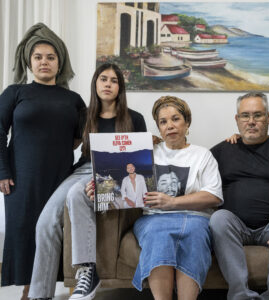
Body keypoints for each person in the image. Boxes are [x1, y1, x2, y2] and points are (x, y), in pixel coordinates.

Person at [28, 63, 146, 300]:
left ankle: (88, 271)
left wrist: (106, 185)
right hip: (83, 170)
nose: (108, 84)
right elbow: (64, 145)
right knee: (44, 223)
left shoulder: (135, 118)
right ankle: (40, 294)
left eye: (114, 81)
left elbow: (139, 164)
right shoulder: (83, 116)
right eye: (103, 79)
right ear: (96, 83)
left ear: (120, 88)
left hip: (115, 173)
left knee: (76, 194)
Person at [0, 23, 85, 300]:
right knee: (24, 230)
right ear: (29, 61)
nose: (44, 62)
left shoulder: (73, 99)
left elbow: (80, 137)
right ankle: (29, 290)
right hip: (21, 177)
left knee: (53, 231)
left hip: (60, 178)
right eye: (38, 57)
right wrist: (2, 170)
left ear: (60, 63)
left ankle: (43, 290)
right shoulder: (14, 93)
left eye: (50, 57)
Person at [109, 95, 222, 300]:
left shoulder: (202, 155)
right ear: (158, 128)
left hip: (195, 218)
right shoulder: (145, 153)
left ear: (187, 123)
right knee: (157, 234)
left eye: (176, 119)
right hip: (153, 218)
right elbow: (117, 182)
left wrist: (172, 202)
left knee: (195, 233)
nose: (170, 125)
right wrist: (98, 188)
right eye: (163, 121)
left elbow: (213, 195)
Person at [210, 92, 269, 300]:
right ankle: (240, 296)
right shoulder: (222, 150)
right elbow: (192, 169)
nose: (251, 121)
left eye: (258, 115)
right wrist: (155, 144)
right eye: (245, 116)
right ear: (237, 120)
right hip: (236, 226)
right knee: (218, 218)